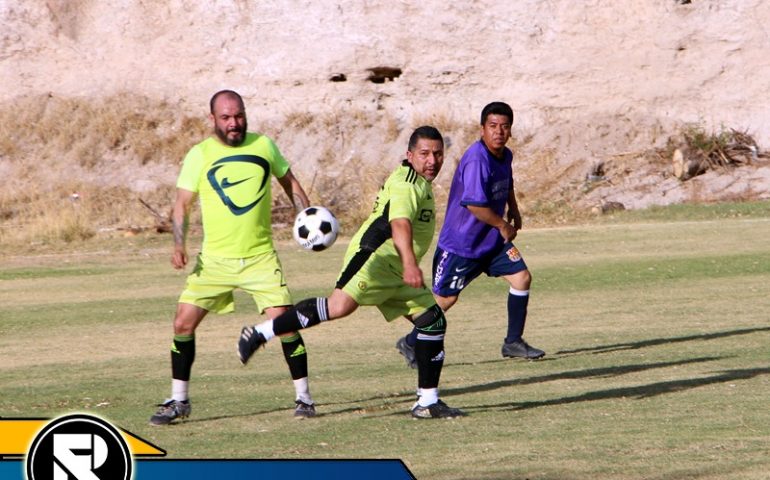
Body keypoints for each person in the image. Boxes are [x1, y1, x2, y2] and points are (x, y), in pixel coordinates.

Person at [237, 126, 465, 419]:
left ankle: (427, 402)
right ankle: (260, 332)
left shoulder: (420, 181)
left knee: (432, 322)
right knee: (338, 306)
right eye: (424, 154)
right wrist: (410, 263)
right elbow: (399, 225)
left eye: (437, 154)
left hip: (394, 268)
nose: (432, 160)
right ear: (410, 155)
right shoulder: (407, 183)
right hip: (374, 259)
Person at [149, 90, 316, 425]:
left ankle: (305, 398)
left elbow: (291, 184)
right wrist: (178, 245)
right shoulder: (200, 154)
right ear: (213, 119)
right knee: (182, 323)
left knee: (284, 324)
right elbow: (181, 204)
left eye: (238, 116)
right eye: (226, 117)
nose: (234, 123)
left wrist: (307, 221)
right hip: (214, 262)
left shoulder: (264, 146)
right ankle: (178, 401)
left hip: (260, 258)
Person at [396, 102, 545, 368]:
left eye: (505, 126)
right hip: (462, 245)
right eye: (493, 126)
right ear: (482, 129)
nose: (499, 131)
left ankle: (513, 342)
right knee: (445, 300)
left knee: (522, 278)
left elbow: (507, 181)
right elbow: (475, 205)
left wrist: (515, 210)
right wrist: (502, 225)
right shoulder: (477, 159)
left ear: (510, 130)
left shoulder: (505, 155)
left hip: (491, 243)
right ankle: (410, 342)